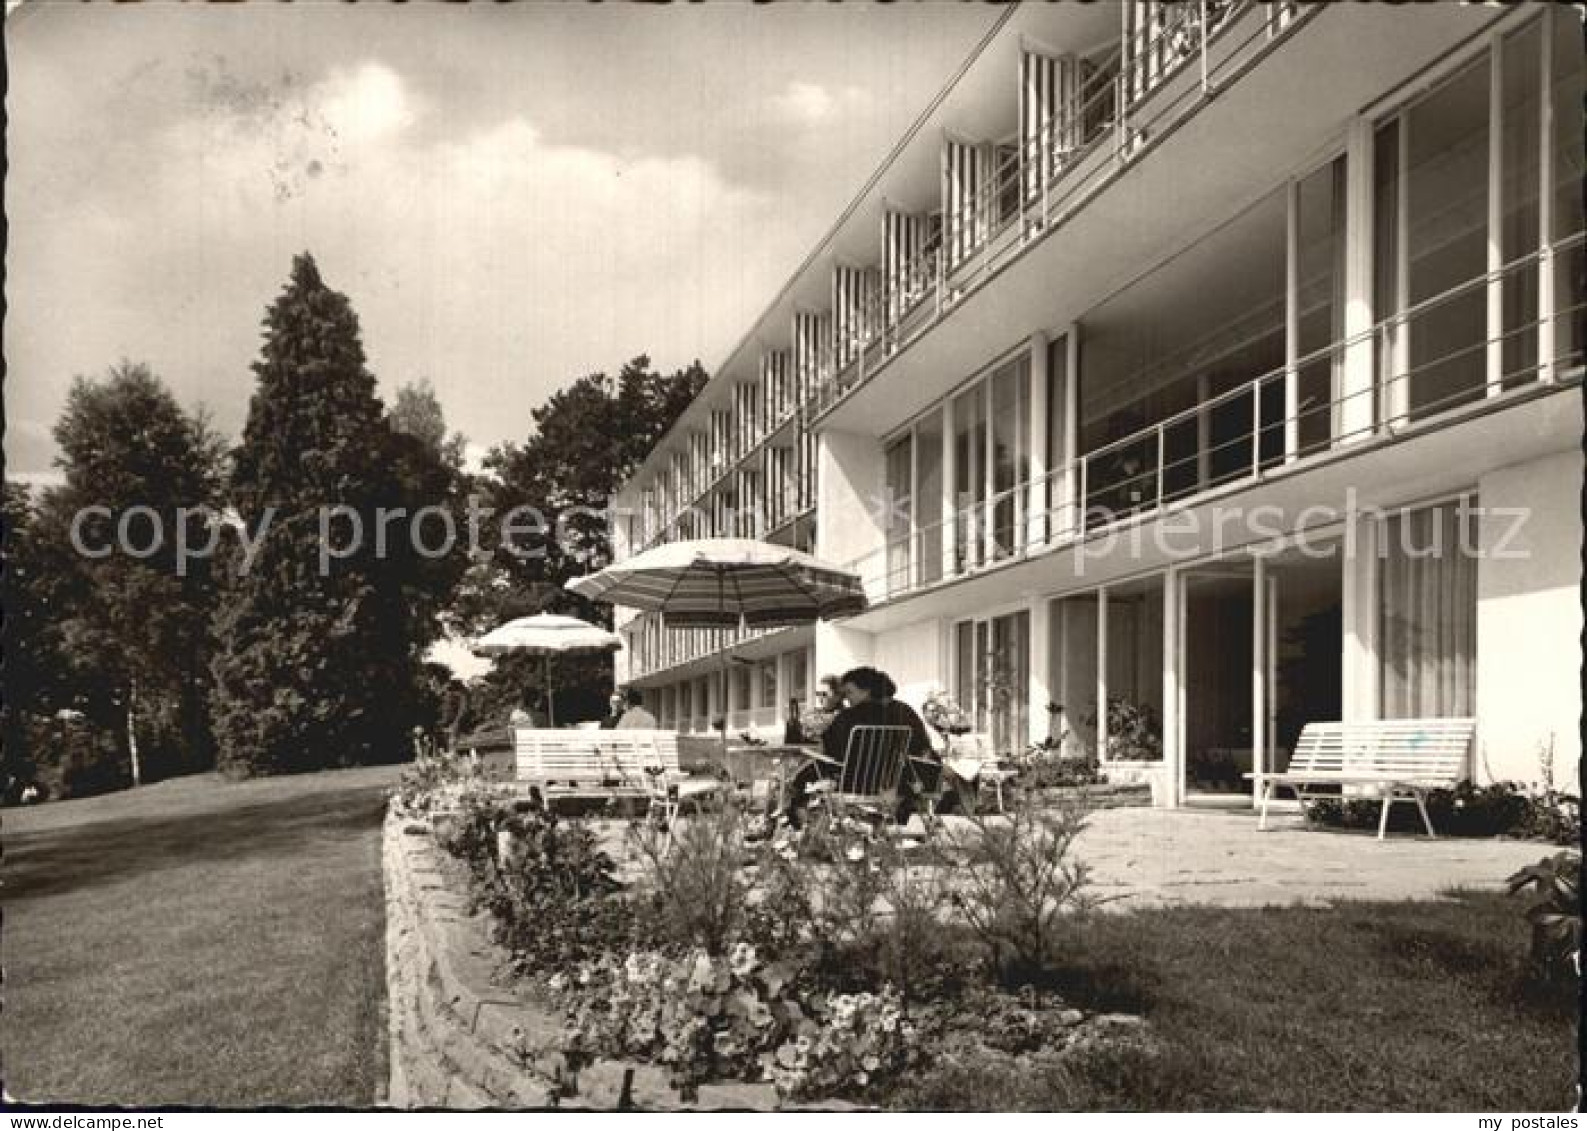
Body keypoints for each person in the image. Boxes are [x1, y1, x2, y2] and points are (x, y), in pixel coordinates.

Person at [771, 666, 932, 829]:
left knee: (799, 780)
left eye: (849, 692)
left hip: (851, 784)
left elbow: (832, 752)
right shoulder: (904, 711)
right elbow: (920, 747)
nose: (846, 699)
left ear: (867, 690)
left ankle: (799, 829)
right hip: (892, 786)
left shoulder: (848, 717)